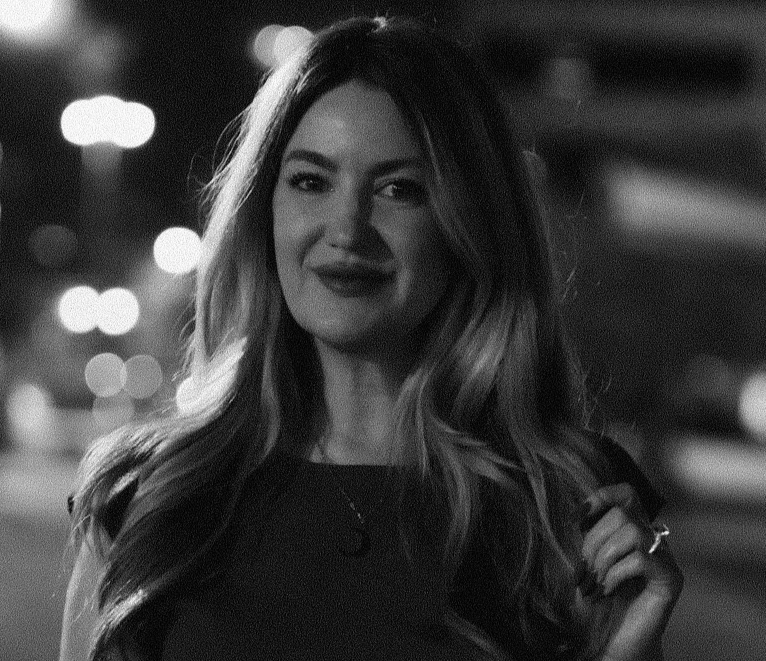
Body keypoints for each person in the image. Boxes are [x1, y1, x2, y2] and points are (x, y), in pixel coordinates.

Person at [60, 15, 683, 661]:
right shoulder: (147, 495)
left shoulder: (565, 505)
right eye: (310, 181)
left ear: (469, 224)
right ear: (262, 210)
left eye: (398, 189)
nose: (346, 229)